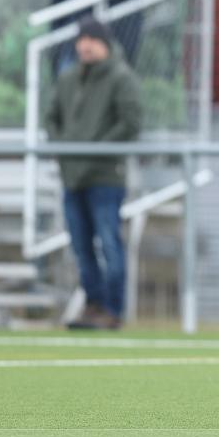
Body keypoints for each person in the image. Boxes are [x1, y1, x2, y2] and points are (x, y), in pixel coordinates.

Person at [45, 17, 142, 330]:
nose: (84, 44)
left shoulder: (122, 77)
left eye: (91, 39)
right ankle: (93, 305)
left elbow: (130, 123)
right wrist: (65, 150)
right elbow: (51, 119)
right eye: (81, 39)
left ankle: (113, 310)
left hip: (105, 177)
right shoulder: (68, 78)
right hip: (72, 177)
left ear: (104, 43)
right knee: (81, 247)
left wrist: (95, 150)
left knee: (109, 243)